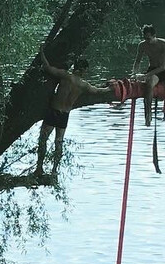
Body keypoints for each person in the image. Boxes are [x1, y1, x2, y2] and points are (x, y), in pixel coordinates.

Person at [35, 48, 111, 176]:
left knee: (43, 139)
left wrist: (42, 52)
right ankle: (54, 171)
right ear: (83, 70)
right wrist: (110, 88)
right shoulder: (83, 85)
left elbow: (47, 68)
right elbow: (98, 91)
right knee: (59, 141)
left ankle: (39, 168)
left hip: (54, 110)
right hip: (64, 115)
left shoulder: (65, 76)